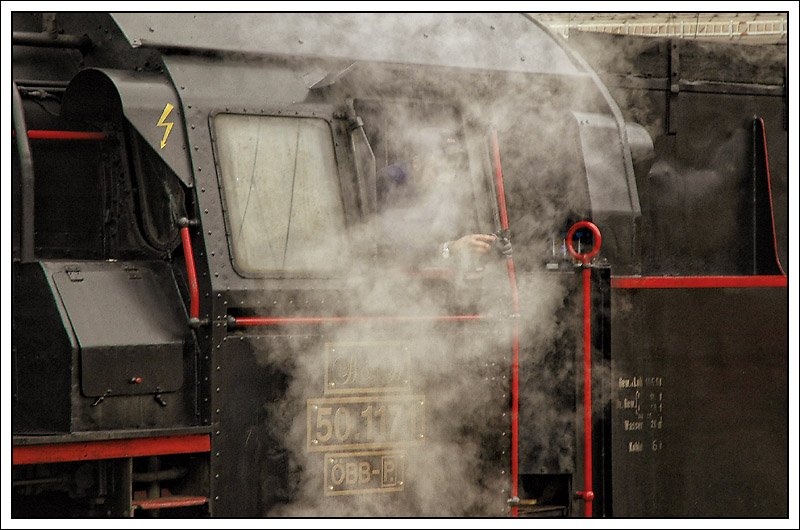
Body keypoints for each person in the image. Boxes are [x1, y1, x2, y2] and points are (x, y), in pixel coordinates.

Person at [376, 131, 511, 270]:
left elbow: (456, 237)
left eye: (452, 168)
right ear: (417, 163)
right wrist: (450, 249)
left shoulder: (442, 192)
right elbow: (391, 250)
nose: (446, 177)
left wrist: (487, 245)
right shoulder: (389, 185)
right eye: (439, 168)